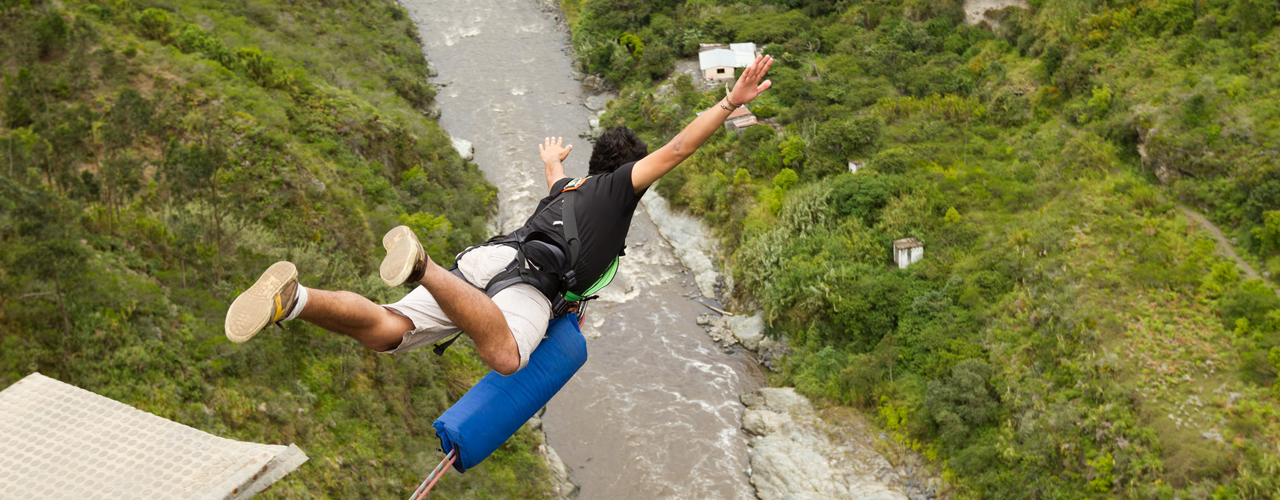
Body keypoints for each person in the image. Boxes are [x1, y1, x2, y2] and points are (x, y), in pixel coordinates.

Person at [224, 55, 774, 375]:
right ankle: (422, 268)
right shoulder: (617, 189)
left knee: (387, 330)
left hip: (491, 258)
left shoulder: (572, 186)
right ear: (631, 171)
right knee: (507, 356)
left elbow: (557, 186)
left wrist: (551, 162)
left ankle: (293, 300)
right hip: (528, 282)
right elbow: (677, 149)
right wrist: (729, 103)